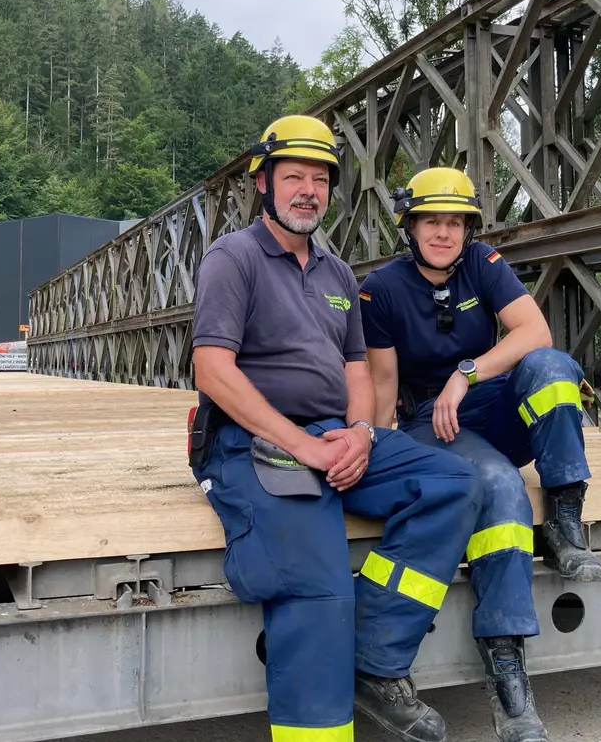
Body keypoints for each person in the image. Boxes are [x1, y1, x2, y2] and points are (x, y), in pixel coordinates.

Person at [188, 116, 483, 742]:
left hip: (333, 436)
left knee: (454, 483)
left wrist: (358, 434)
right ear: (263, 183)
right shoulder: (233, 258)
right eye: (292, 176)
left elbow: (358, 368)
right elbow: (212, 371)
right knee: (318, 586)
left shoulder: (337, 274)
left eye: (319, 179)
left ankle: (375, 658)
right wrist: (304, 448)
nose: (307, 190)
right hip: (257, 441)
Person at [357, 167, 601, 742]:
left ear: (467, 228)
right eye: (431, 221)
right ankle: (507, 668)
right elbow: (384, 383)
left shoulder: (483, 263)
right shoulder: (382, 290)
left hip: (478, 398)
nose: (443, 233)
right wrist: (374, 451)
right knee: (498, 487)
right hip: (431, 423)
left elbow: (533, 331)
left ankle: (566, 521)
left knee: (552, 369)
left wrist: (465, 374)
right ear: (410, 226)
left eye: (455, 222)